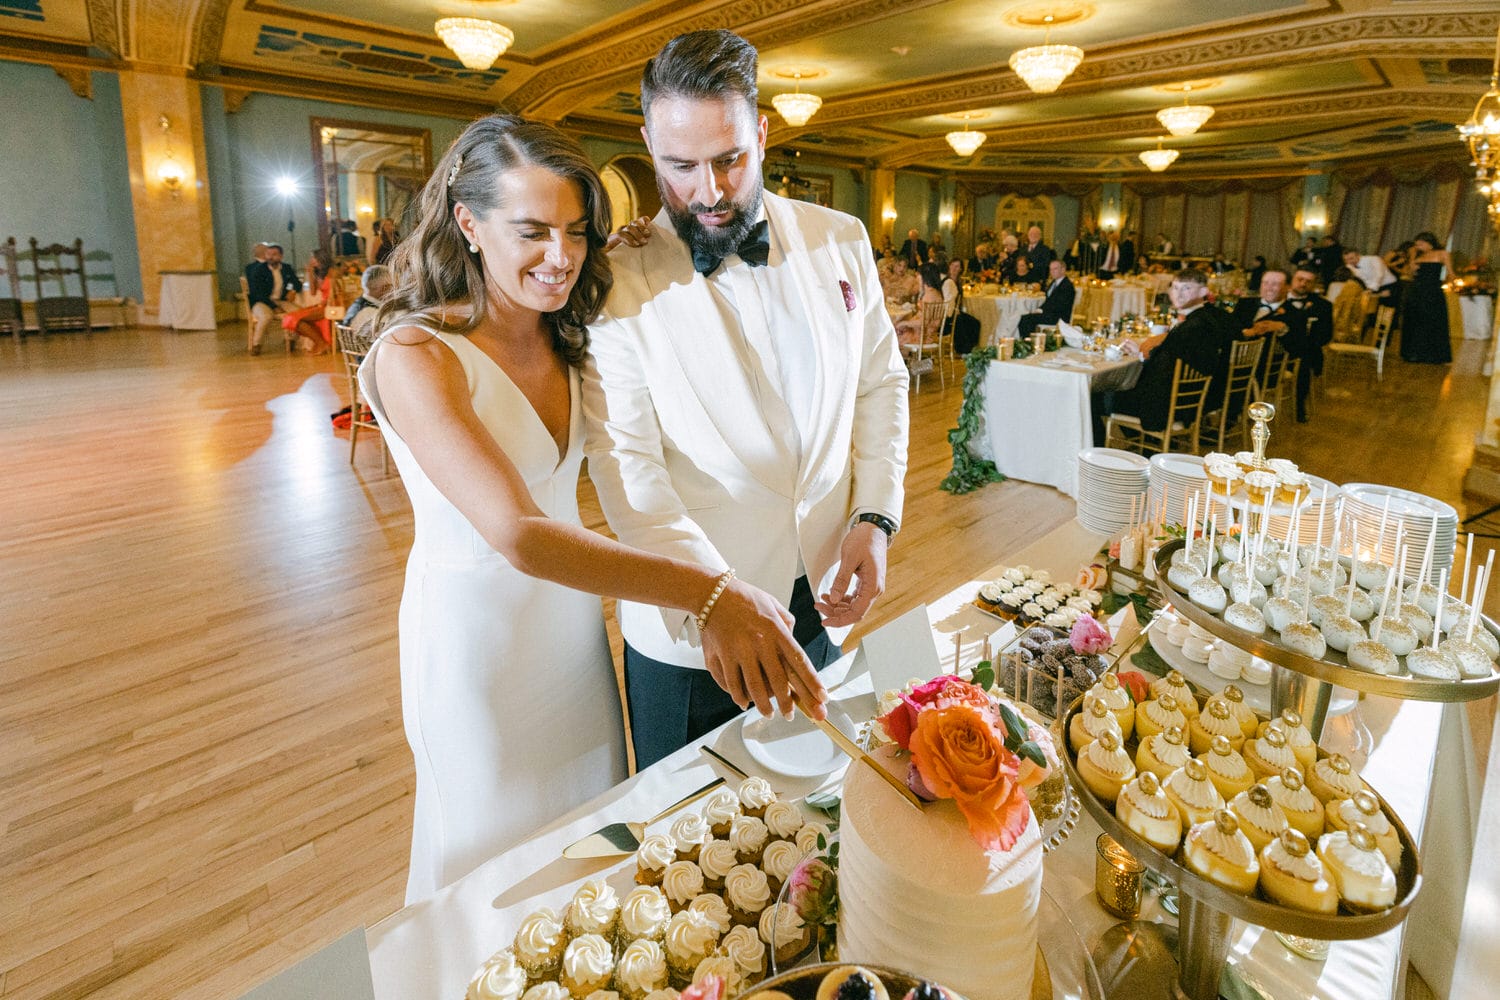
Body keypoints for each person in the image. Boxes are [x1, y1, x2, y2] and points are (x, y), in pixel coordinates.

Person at [359, 115, 826, 903]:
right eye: (532, 231)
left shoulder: (566, 336)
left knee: (586, 848)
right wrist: (711, 592)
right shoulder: (415, 356)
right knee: (493, 868)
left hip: (572, 643)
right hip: (476, 650)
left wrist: (656, 236)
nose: (561, 256)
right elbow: (521, 534)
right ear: (467, 223)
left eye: (577, 232)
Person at [583, 29, 909, 771]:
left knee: (817, 804)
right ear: (647, 143)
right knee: (692, 838)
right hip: (695, 632)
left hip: (823, 587)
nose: (710, 191)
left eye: (730, 158)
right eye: (681, 166)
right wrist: (711, 599)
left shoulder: (842, 239)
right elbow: (628, 470)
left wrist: (875, 516)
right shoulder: (611, 280)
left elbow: (880, 382)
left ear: (762, 133)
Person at [1096, 268, 1235, 441]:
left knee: (1094, 394)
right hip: (1188, 401)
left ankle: (1098, 457)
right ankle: (1144, 444)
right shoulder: (1206, 319)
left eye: (1186, 288)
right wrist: (1142, 353)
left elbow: (1163, 368)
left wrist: (1143, 357)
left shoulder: (1195, 327)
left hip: (1166, 407)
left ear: (1203, 292)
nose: (1179, 294)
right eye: (1175, 288)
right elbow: (1173, 356)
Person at [1285, 267, 1333, 422]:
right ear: (1292, 280)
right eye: (1300, 279)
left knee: (1304, 361)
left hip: (1305, 351)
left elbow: (1325, 336)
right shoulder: (1277, 299)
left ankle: (1299, 406)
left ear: (1313, 285)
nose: (1303, 284)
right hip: (1274, 351)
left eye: (1308, 281)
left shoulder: (1322, 306)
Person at [1401, 231, 1451, 364]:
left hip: (1433, 291)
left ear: (1430, 243)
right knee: (1415, 321)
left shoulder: (1442, 254)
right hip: (1416, 291)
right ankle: (1413, 353)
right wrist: (1411, 258)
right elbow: (1409, 274)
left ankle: (1433, 356)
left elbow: (1451, 273)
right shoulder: (1417, 256)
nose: (1418, 246)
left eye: (1420, 244)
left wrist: (1449, 284)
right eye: (1416, 244)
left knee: (1431, 321)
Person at [244, 242, 302, 355]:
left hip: (281, 300)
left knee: (298, 313)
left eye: (274, 254)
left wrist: (292, 290)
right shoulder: (259, 270)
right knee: (266, 316)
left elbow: (295, 283)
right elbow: (257, 292)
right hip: (261, 301)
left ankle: (291, 339)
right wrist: (273, 307)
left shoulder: (286, 268)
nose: (270, 257)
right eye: (268, 254)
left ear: (281, 256)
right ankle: (256, 344)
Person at [1017, 259, 1075, 337]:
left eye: (1055, 269)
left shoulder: (1067, 285)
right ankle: (1031, 341)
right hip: (1050, 314)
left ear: (1063, 270)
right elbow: (1049, 301)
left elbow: (1059, 305)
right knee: (1025, 317)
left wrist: (1043, 311)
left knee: (1026, 320)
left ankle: (1028, 343)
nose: (1052, 272)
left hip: (1059, 317)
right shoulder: (1054, 283)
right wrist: (1040, 309)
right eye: (1051, 269)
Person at [895, 263, 945, 347]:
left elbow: (923, 322)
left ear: (924, 277)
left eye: (918, 275)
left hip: (922, 336)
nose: (916, 278)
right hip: (926, 333)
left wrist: (905, 323)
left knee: (891, 336)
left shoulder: (929, 295)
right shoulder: (935, 292)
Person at [344, 263, 393, 333]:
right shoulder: (370, 312)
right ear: (383, 288)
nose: (394, 291)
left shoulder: (358, 304)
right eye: (391, 286)